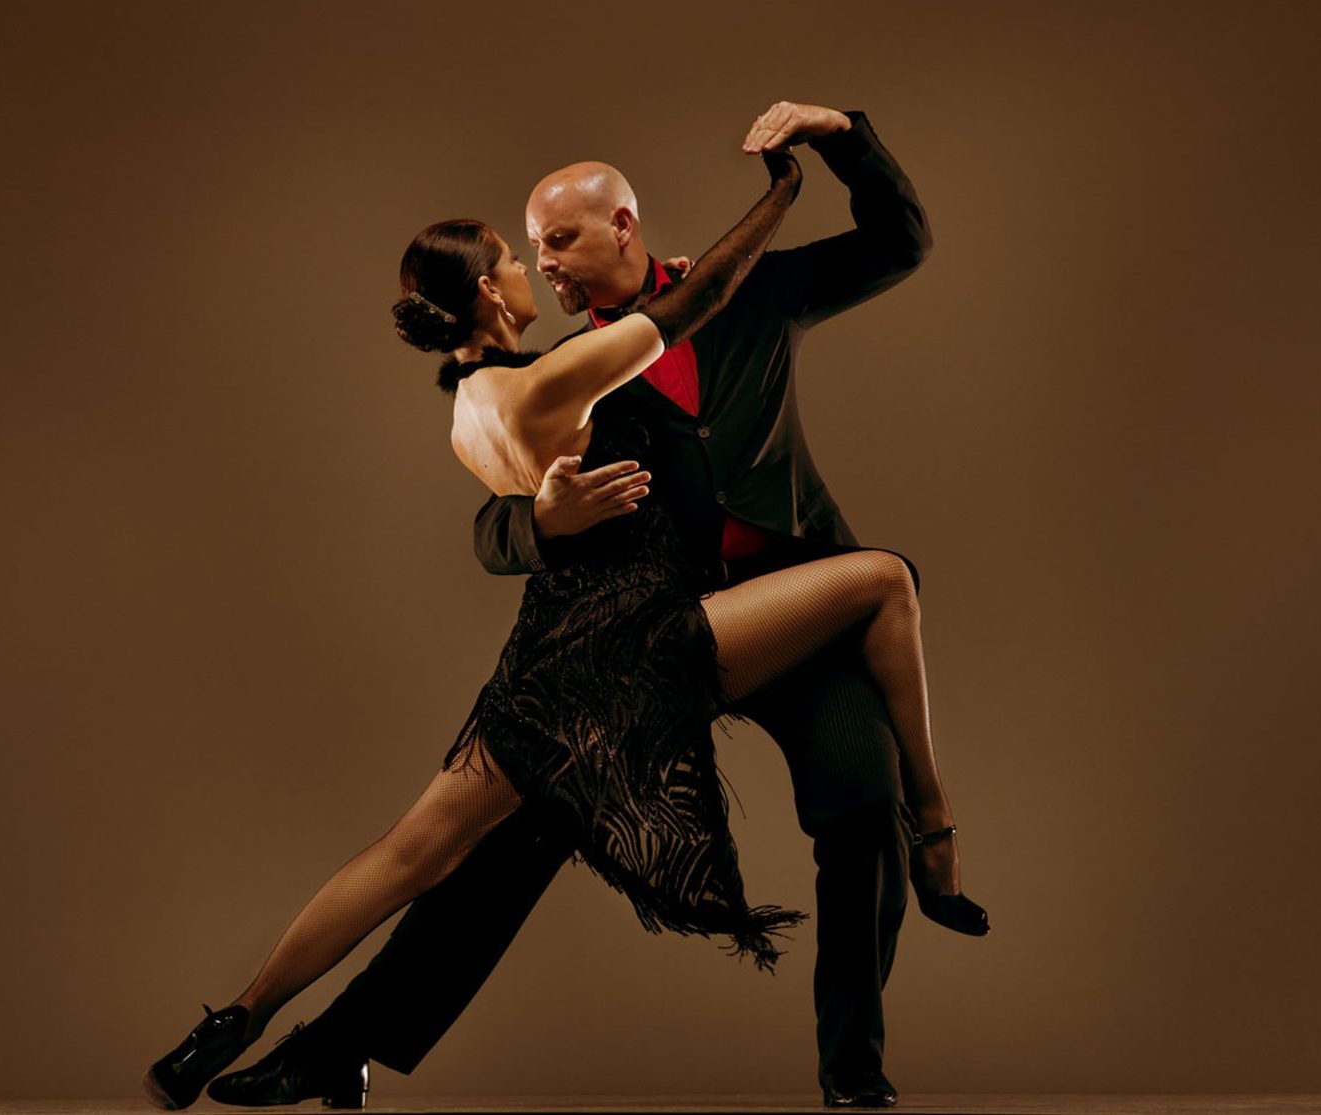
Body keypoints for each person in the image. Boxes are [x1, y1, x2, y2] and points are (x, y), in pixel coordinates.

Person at [194, 103, 987, 1112]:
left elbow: (901, 242)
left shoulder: (752, 288)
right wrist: (543, 524)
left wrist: (841, 137)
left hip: (792, 609)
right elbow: (492, 522)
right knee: (510, 836)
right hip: (646, 638)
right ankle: (333, 1044)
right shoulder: (567, 372)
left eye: (560, 239)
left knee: (859, 799)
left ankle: (853, 1077)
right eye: (533, 251)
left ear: (625, 224)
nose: (548, 266)